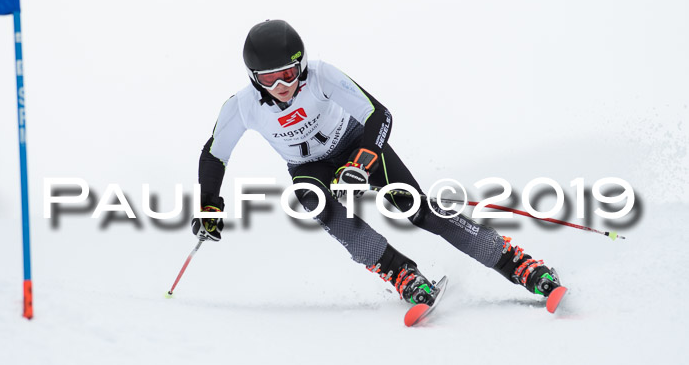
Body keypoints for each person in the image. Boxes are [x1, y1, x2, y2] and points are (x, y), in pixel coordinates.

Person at [191, 19, 561, 306]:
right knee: (315, 202)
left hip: (355, 144)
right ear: (254, 78)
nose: (282, 86)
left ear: (300, 64)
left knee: (415, 209)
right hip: (309, 169)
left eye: (288, 73)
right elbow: (214, 154)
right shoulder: (241, 106)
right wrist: (209, 204)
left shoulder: (321, 75)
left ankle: (515, 263)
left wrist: (362, 162)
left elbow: (379, 116)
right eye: (269, 79)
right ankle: (401, 274)